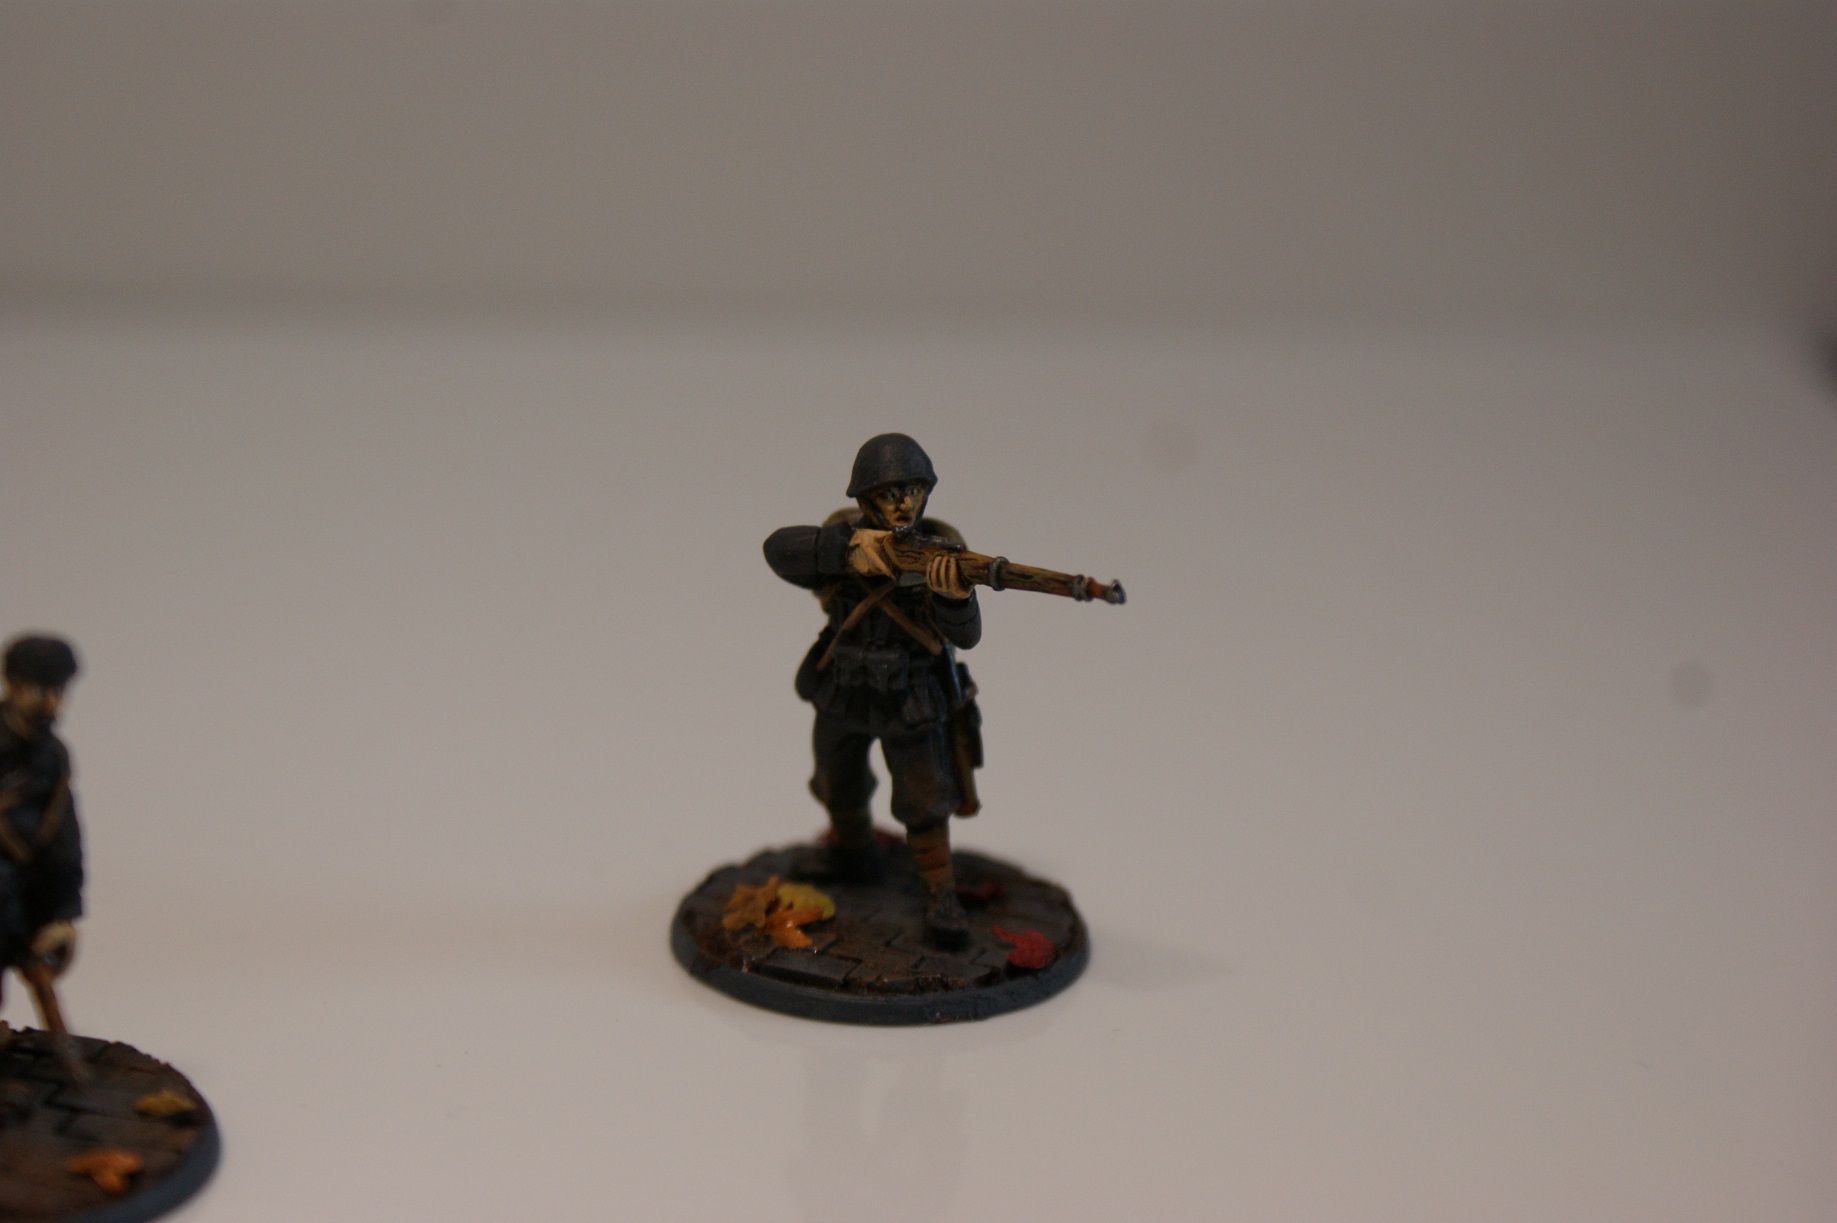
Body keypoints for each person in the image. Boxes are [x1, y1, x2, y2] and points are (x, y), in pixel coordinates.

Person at [763, 434, 982, 948]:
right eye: (890, 493)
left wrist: (955, 598)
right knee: (836, 779)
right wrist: (846, 551)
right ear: (865, 499)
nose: (905, 503)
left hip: (910, 695)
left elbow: (967, 636)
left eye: (914, 490)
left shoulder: (942, 551)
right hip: (843, 686)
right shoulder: (841, 539)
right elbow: (777, 550)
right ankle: (854, 854)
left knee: (925, 797)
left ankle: (939, 893)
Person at [0, 634, 84, 1003]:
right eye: (39, 691)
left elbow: (63, 836)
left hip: (25, 901)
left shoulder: (52, 757)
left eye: (58, 691)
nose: (51, 703)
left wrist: (63, 915)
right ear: (14, 687)